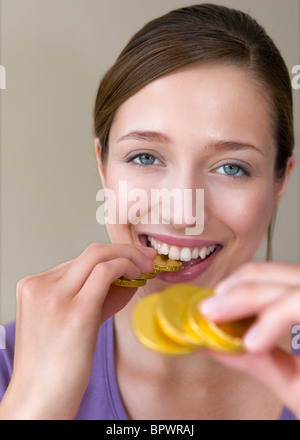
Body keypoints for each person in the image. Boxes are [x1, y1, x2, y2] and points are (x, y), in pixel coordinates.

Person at [0, 3, 299, 420]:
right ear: (103, 164)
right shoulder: (10, 369)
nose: (182, 213)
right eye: (145, 158)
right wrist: (34, 408)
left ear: (280, 178)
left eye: (232, 167)